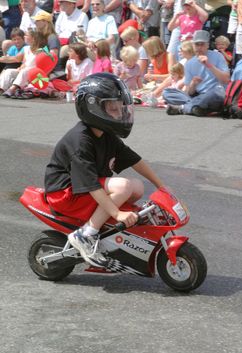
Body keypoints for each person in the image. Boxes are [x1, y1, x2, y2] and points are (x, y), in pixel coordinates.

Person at [44, 72, 164, 266]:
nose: (119, 113)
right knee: (124, 186)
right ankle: (87, 233)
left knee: (137, 187)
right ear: (92, 108)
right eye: (113, 108)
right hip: (66, 194)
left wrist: (161, 186)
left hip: (83, 189)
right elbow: (90, 184)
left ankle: (107, 226)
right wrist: (117, 214)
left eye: (120, 108)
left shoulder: (106, 134)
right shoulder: (80, 141)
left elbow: (134, 159)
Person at [164, 30, 230, 116]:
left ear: (207, 45)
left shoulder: (218, 56)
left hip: (215, 93)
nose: (199, 47)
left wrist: (209, 65)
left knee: (212, 95)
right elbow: (189, 92)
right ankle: (196, 108)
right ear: (193, 46)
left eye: (202, 44)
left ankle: (183, 108)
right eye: (196, 44)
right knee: (167, 92)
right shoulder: (189, 63)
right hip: (198, 95)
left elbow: (226, 79)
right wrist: (193, 84)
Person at [0, 29, 47, 97]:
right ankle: (2, 89)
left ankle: (12, 89)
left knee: (25, 71)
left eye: (26, 35)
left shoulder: (42, 50)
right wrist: (21, 67)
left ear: (33, 38)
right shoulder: (26, 48)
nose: (24, 37)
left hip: (35, 73)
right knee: (9, 71)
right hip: (24, 71)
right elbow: (21, 61)